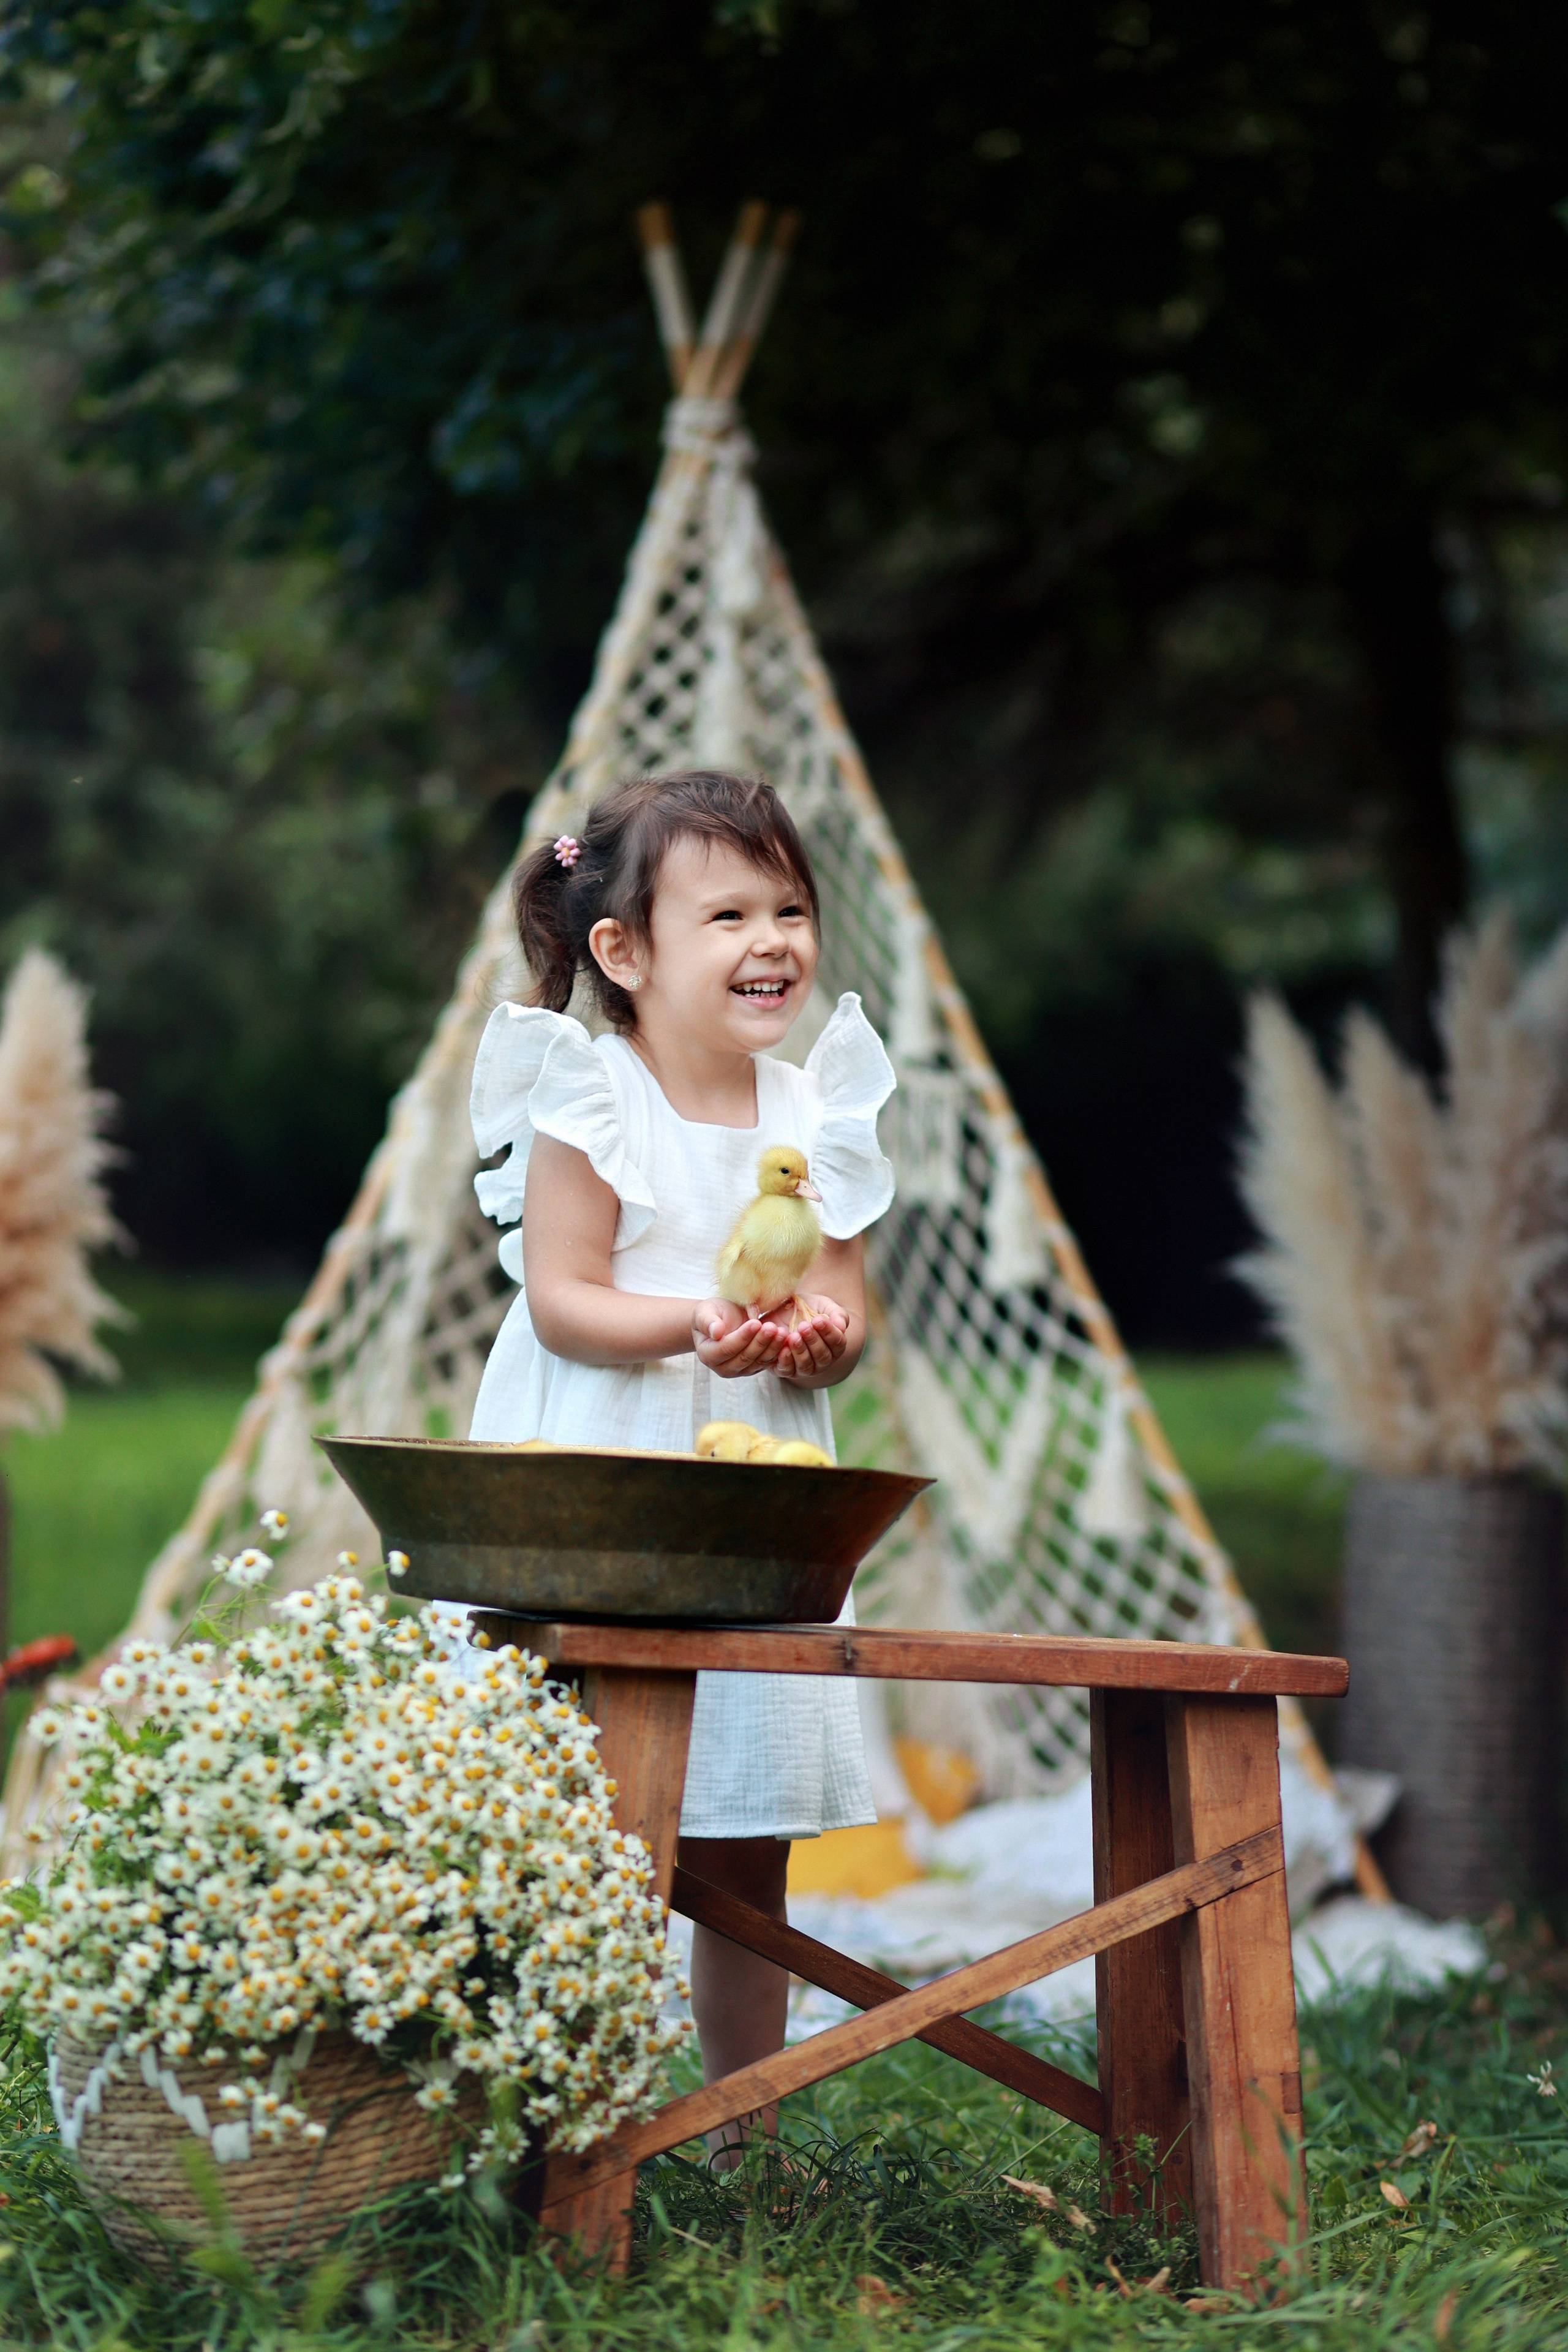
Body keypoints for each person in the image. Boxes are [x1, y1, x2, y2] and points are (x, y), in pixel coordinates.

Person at [466, 768, 895, 2150]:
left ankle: (739, 2122)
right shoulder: (590, 1095)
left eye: (789, 907)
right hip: (599, 1469)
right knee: (583, 1813)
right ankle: (561, 2115)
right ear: (624, 952)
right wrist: (691, 1324)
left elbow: (845, 1303)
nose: (771, 939)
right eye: (727, 913)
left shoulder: (812, 1111)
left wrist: (820, 1341)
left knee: (740, 1827)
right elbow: (563, 1298)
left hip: (752, 1481)